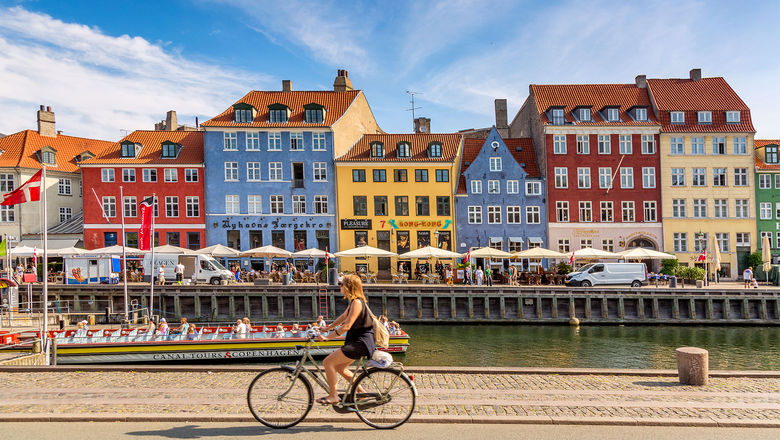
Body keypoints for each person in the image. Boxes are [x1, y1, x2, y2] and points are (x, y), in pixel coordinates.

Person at [316, 274, 375, 405]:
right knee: (340, 368)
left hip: (360, 343)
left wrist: (328, 338)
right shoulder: (355, 301)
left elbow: (347, 326)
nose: (340, 287)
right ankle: (362, 394)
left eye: (341, 284)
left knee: (328, 363)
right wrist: (328, 328)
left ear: (349, 286)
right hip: (358, 342)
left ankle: (333, 396)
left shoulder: (357, 303)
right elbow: (343, 317)